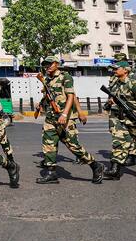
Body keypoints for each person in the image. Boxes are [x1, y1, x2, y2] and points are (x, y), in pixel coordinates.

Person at [36, 56, 104, 185]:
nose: (48, 66)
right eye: (46, 64)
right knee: (48, 145)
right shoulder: (47, 79)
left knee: (73, 146)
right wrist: (40, 104)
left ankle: (95, 165)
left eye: (50, 64)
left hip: (64, 118)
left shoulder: (65, 77)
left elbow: (71, 96)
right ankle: (52, 173)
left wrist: (66, 114)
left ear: (56, 64)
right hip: (51, 118)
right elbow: (48, 96)